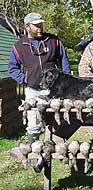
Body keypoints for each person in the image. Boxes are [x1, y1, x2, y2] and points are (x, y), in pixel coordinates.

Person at [8, 12, 71, 142]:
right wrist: (25, 79)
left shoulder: (54, 41)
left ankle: (55, 148)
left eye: (41, 24)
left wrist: (67, 79)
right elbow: (12, 68)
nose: (40, 28)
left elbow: (64, 60)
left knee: (59, 119)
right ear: (27, 27)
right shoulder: (18, 47)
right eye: (36, 25)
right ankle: (33, 153)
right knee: (33, 124)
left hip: (55, 90)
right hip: (33, 90)